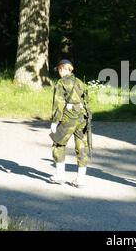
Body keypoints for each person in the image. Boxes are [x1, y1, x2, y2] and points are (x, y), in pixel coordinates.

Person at [49, 59, 91, 187]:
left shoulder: (61, 83)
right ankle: (81, 179)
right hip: (82, 117)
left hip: (69, 117)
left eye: (59, 70)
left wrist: (55, 122)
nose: (59, 73)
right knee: (82, 147)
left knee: (58, 143)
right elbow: (87, 100)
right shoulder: (80, 82)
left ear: (62, 69)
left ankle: (60, 176)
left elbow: (59, 103)